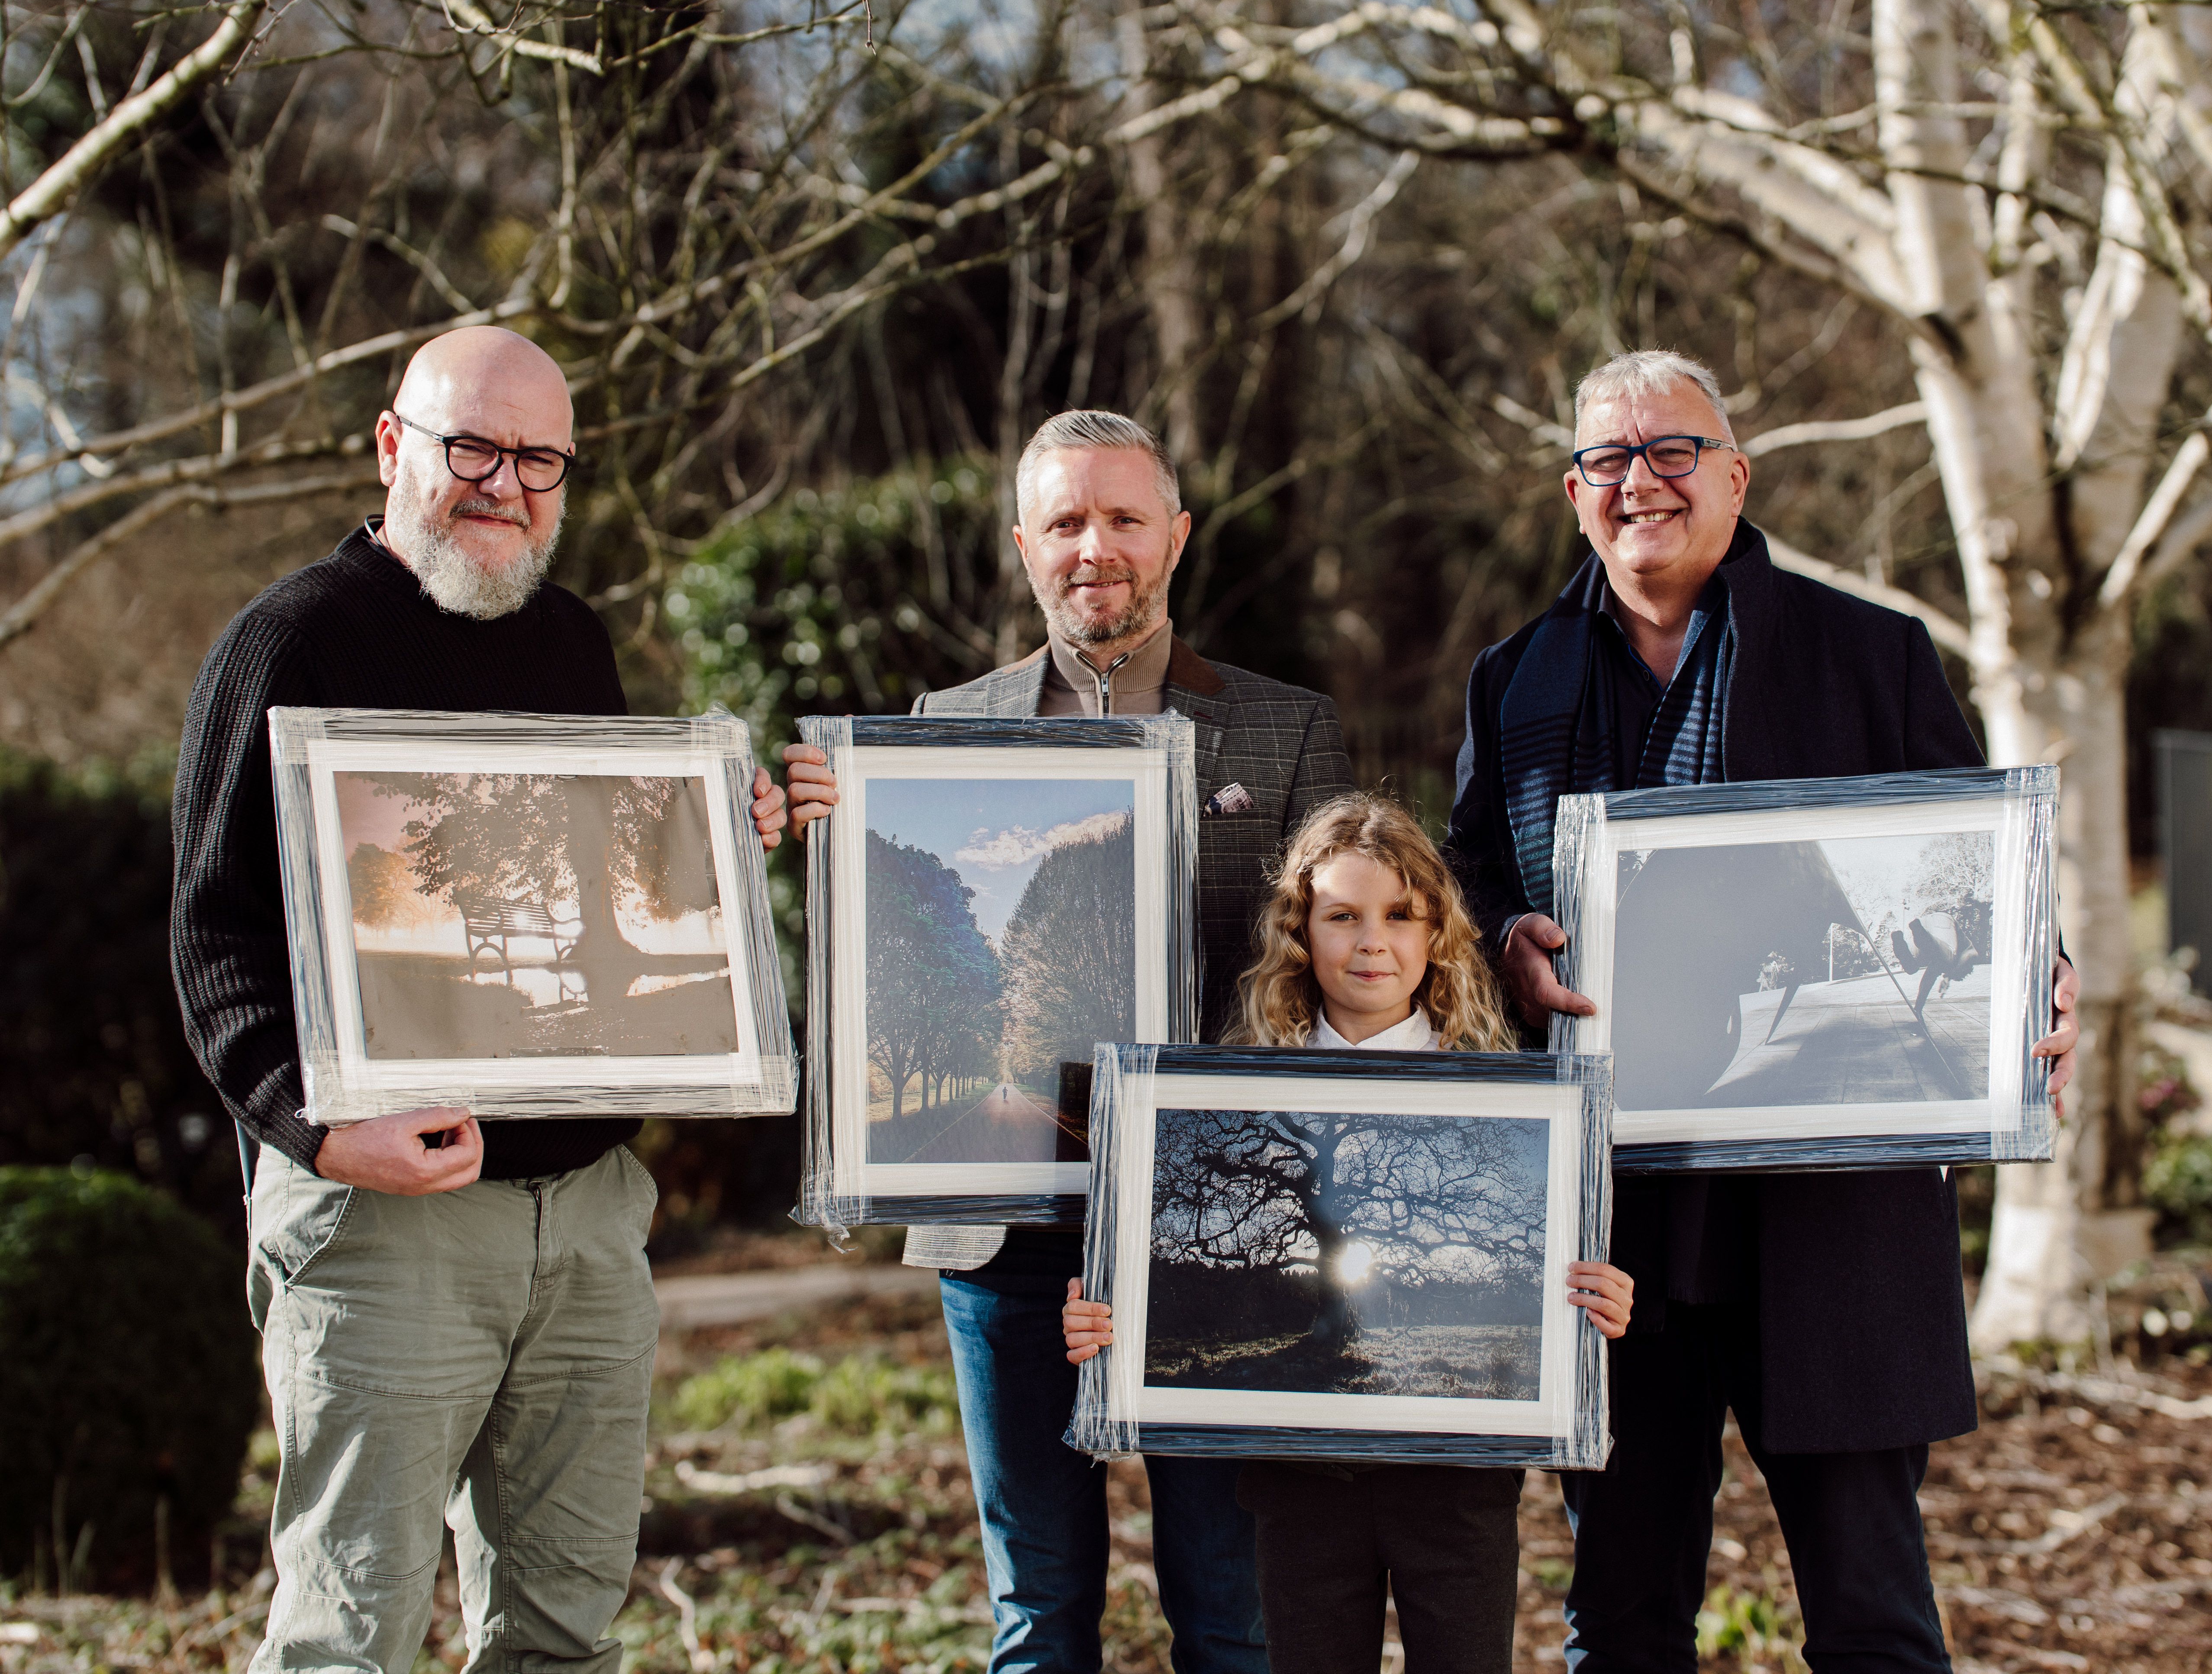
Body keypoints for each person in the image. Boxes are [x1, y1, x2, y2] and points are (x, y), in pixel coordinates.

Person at [1444, 350, 2081, 1674]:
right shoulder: (1514, 681)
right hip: (1616, 1226)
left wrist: (2040, 973)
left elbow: (1971, 870)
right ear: (1576, 495)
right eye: (1610, 461)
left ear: (1734, 476)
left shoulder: (1871, 654)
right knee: (1620, 1618)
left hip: (1832, 1214)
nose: (1642, 483)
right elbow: (1467, 875)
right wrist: (1506, 936)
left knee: (1872, 1614)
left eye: (1672, 451)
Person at [169, 326, 791, 1674]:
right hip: (390, 1220)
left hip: (584, 1229)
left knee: (564, 1632)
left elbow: (602, 878)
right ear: (393, 449)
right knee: (350, 1636)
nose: (503, 484)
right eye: (472, 448)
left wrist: (711, 839)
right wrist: (322, 1135)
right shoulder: (288, 644)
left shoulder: (571, 641)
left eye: (539, 459)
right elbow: (211, 940)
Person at [780, 409, 1353, 1674]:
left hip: (1218, 1228)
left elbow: (1344, 968)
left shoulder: (1285, 730)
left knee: (1231, 1609)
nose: (1096, 547)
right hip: (1004, 1234)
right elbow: (881, 924)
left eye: (1124, 517)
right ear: (1024, 547)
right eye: (1065, 523)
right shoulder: (937, 720)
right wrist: (832, 824)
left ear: (1177, 535)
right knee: (1037, 1613)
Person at [1059, 795, 1634, 1674]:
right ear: (1301, 932)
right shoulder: (1230, 1098)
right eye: (1343, 915)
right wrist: (1113, 1320)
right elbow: (1165, 1269)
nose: (1374, 941)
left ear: (1437, 932)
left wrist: (1598, 1298)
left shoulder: (1510, 1101)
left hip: (1461, 1488)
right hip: (1299, 1488)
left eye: (1401, 915)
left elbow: (1553, 1276)